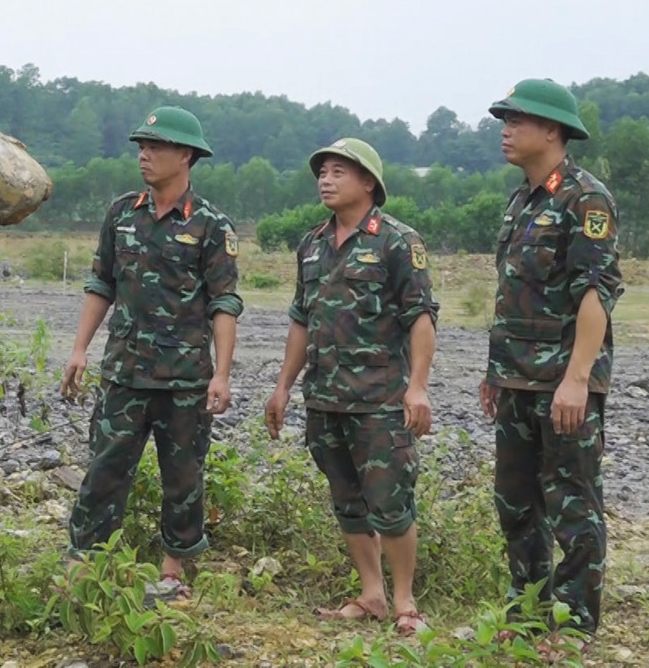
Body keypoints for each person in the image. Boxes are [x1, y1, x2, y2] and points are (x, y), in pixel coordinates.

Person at [60, 106, 242, 598]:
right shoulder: (122, 213)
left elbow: (224, 304)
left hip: (185, 379)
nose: (144, 155)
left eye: (155, 147)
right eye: (142, 146)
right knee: (104, 471)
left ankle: (172, 573)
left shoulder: (211, 226)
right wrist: (79, 349)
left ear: (185, 155)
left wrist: (222, 375)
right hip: (124, 373)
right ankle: (83, 569)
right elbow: (102, 283)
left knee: (183, 479)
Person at [263, 137, 437, 636]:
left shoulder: (397, 242)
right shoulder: (312, 245)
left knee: (391, 503)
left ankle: (405, 603)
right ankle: (371, 594)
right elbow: (302, 319)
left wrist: (418, 387)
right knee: (347, 501)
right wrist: (283, 387)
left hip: (380, 400)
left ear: (368, 182)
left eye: (339, 172)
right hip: (325, 399)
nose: (326, 180)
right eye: (322, 172)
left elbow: (421, 317)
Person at [480, 79, 623, 649]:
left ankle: (575, 621)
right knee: (515, 502)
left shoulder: (585, 199)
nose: (506, 130)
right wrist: (495, 372)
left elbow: (595, 294)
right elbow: (514, 294)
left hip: (564, 380)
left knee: (572, 502)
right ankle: (528, 610)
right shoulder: (522, 201)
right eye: (504, 120)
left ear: (551, 130)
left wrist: (578, 379)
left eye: (516, 120)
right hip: (517, 377)